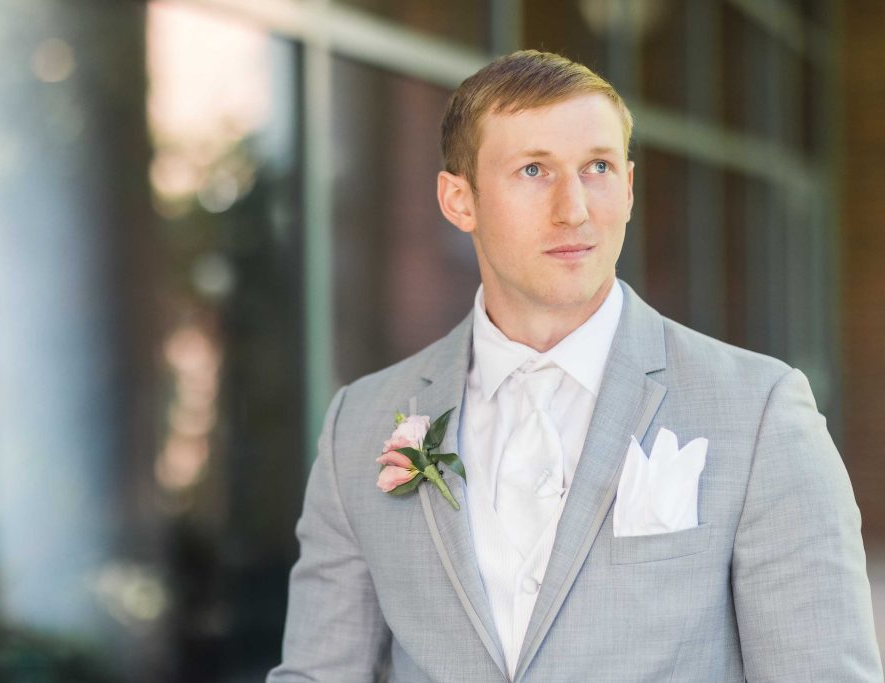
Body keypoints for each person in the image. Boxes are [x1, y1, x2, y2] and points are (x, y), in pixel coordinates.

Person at [268, 50, 882, 682]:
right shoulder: (359, 424)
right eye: (534, 169)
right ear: (459, 200)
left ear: (630, 187)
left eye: (597, 167)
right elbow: (320, 672)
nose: (575, 209)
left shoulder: (761, 411)